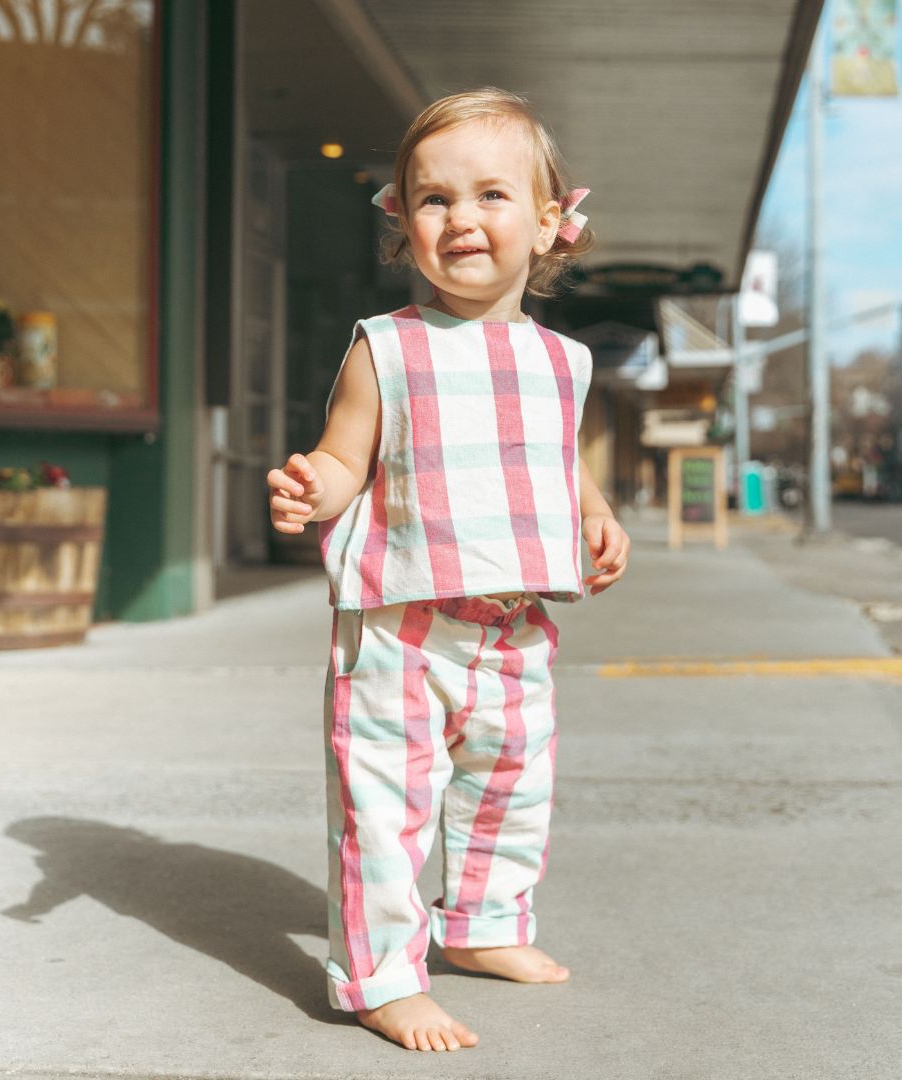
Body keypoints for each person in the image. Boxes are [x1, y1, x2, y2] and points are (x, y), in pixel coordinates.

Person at [266, 87, 630, 1052]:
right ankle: (383, 975)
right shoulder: (388, 349)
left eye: (491, 196)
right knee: (385, 807)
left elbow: (558, 460)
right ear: (402, 223)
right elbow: (347, 457)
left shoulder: (565, 360)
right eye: (433, 200)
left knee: (509, 786)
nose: (461, 217)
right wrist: (317, 486)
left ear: (550, 222)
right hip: (400, 626)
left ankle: (480, 927)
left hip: (515, 627)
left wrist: (597, 516)